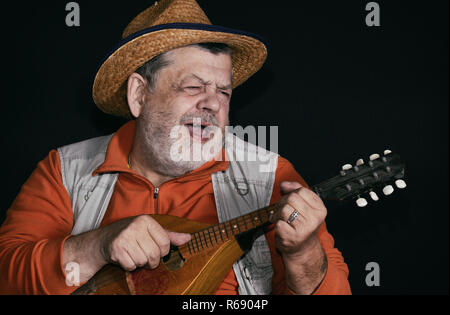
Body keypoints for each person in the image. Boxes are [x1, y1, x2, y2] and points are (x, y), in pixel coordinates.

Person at [0, 0, 351, 295]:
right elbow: (6, 275)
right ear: (139, 94)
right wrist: (98, 245)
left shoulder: (270, 176)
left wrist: (303, 253)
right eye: (194, 87)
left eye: (224, 92)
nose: (213, 104)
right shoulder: (66, 169)